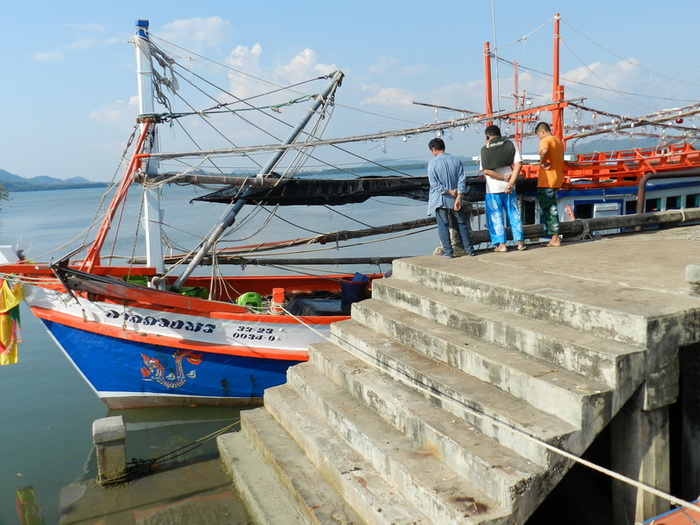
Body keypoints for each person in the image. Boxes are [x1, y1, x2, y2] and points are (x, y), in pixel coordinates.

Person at [479, 125, 526, 252]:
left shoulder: (484, 149)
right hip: (510, 188)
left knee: (496, 215)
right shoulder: (511, 144)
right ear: (499, 134)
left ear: (488, 136)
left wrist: (502, 178)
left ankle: (501, 244)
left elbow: (487, 171)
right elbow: (518, 165)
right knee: (514, 213)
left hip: (493, 189)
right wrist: (510, 182)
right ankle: (520, 242)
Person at [426, 137, 475, 257]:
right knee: (461, 223)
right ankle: (470, 250)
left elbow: (434, 184)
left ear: (434, 149)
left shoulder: (432, 163)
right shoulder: (456, 160)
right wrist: (458, 195)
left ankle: (448, 252)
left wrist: (448, 191)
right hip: (456, 199)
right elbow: (462, 179)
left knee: (443, 225)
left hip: (440, 199)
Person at [535, 121, 565, 247]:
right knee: (551, 207)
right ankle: (554, 237)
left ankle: (555, 238)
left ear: (542, 131)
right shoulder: (558, 141)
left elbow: (545, 150)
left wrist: (541, 162)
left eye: (538, 135)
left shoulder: (545, 140)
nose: (539, 138)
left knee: (549, 210)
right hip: (557, 177)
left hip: (547, 179)